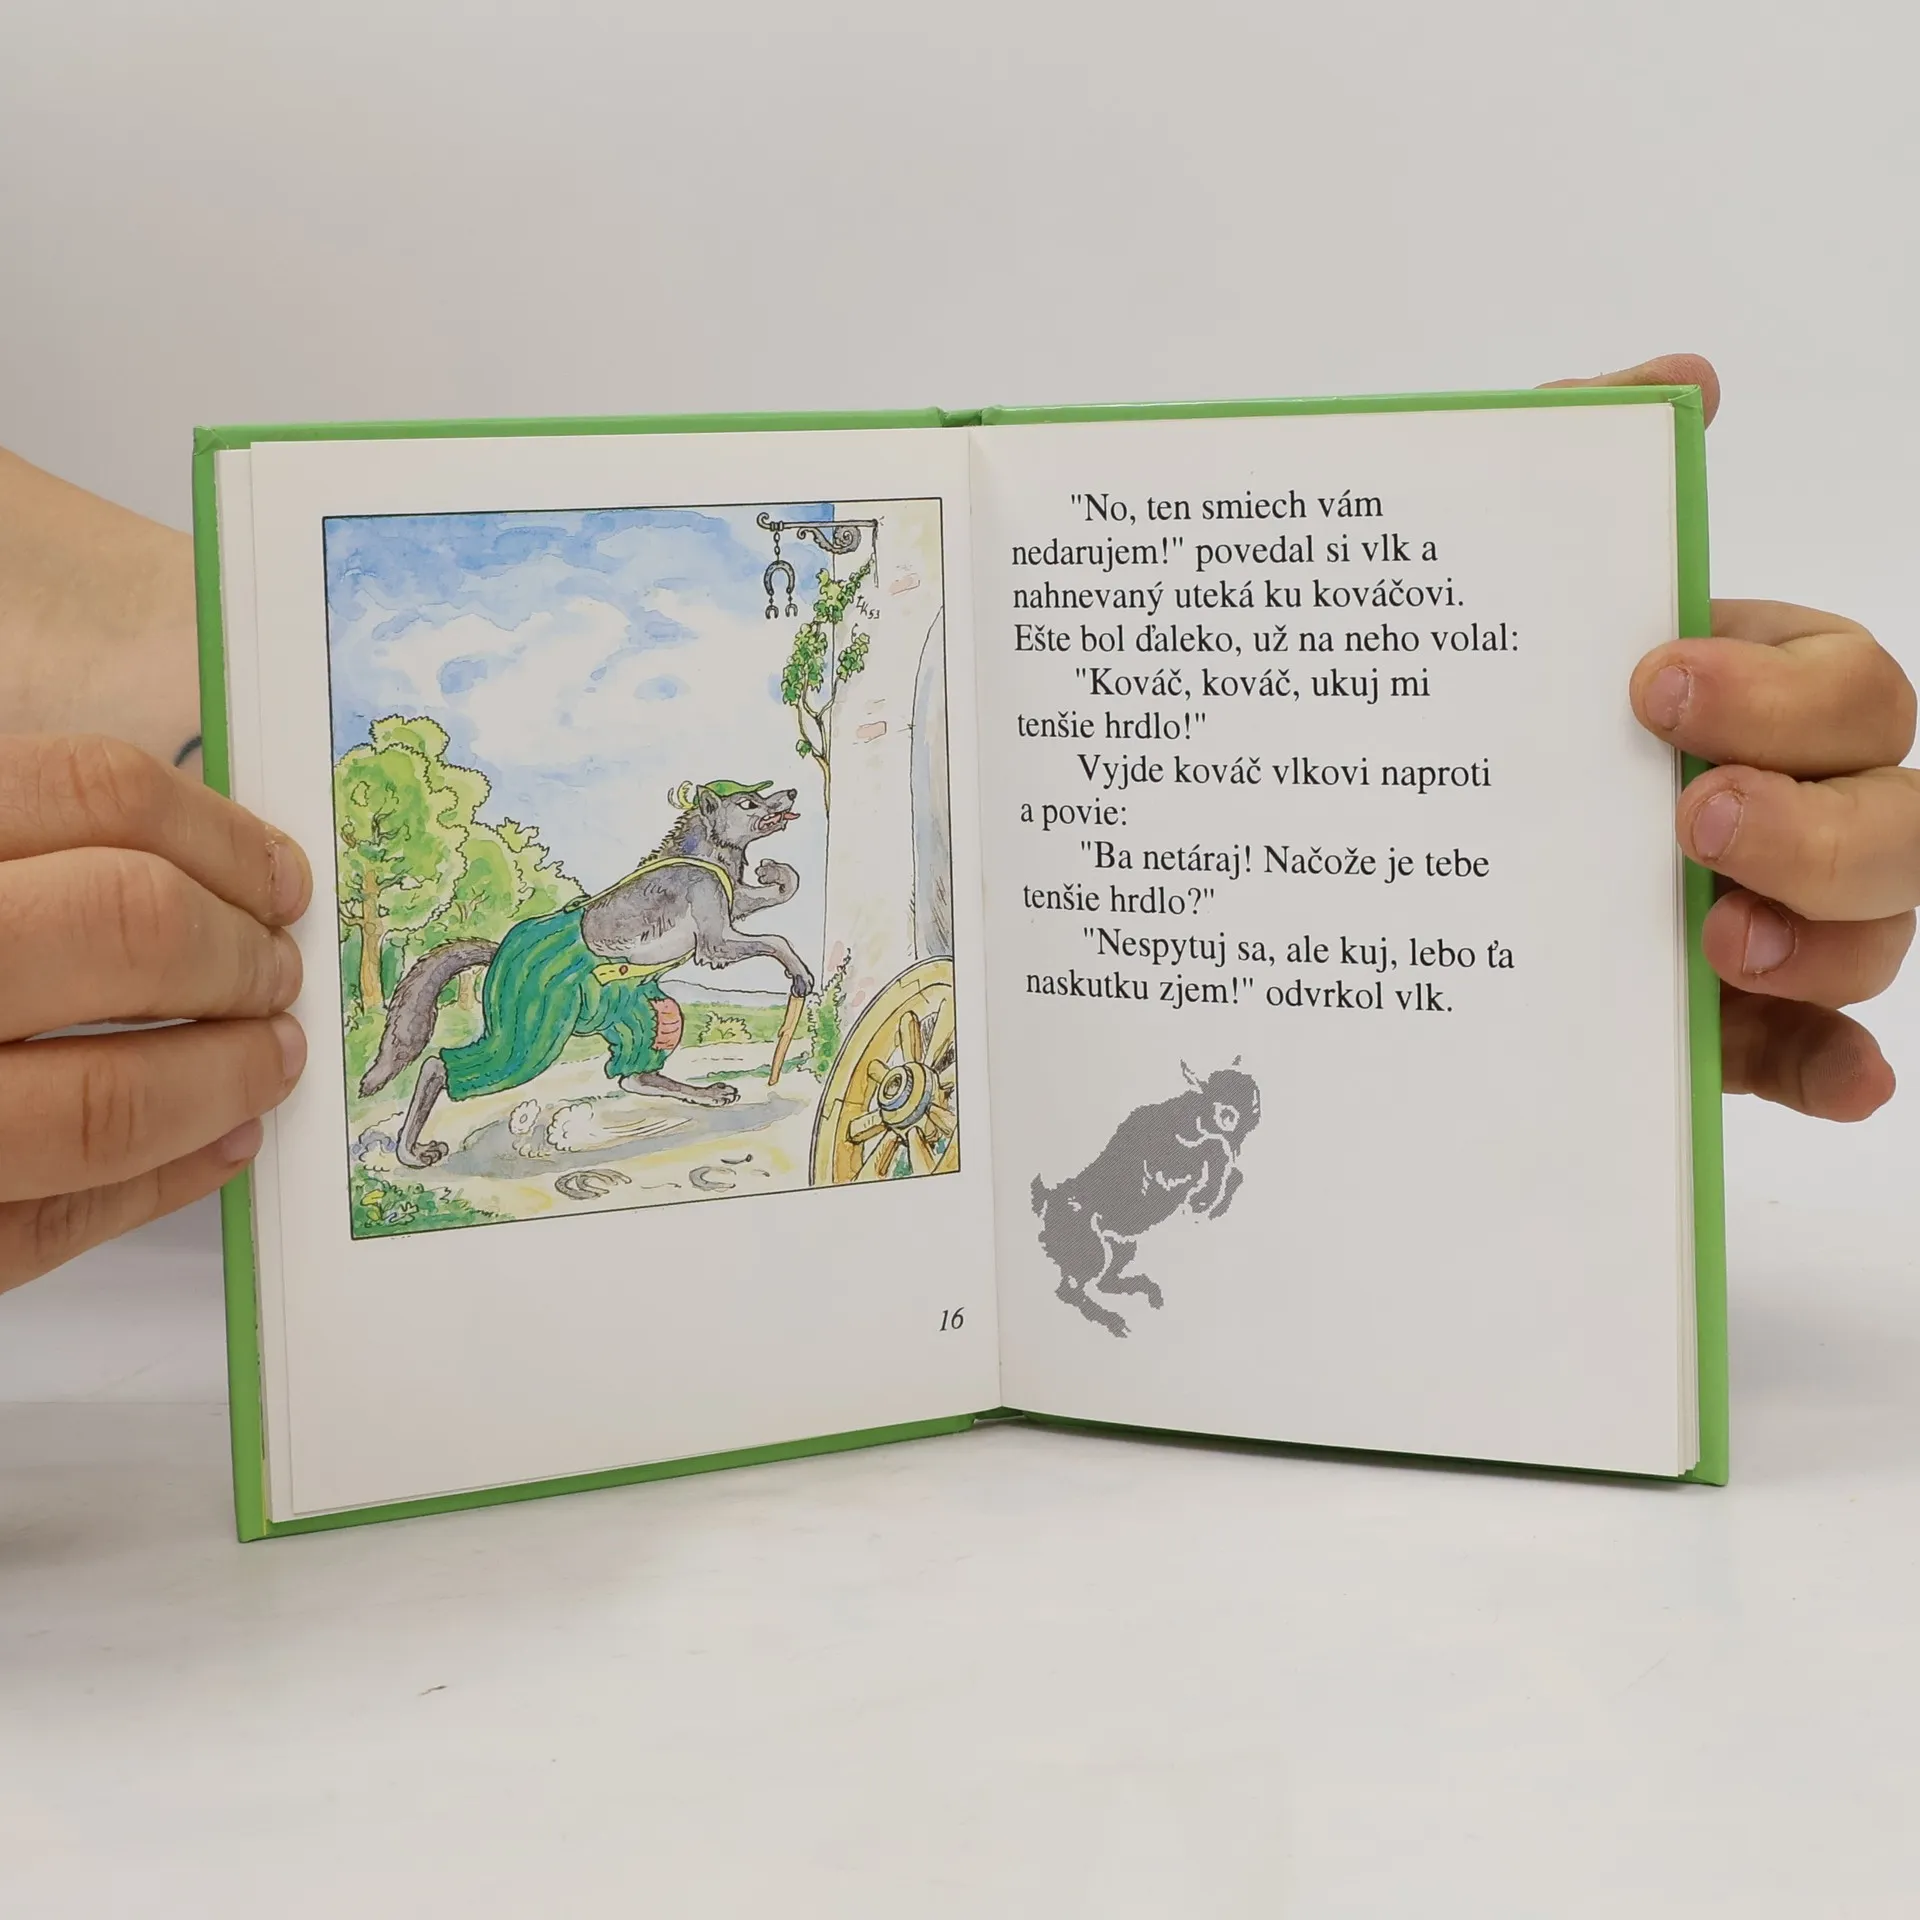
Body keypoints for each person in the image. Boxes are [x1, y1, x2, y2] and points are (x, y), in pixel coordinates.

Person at [0, 353, 1910, 1294]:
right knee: (522, 1029)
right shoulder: (661, 886)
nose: (757, 823)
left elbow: (97, 628)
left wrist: (1442, 694)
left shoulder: (700, 855)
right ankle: (439, 1087)